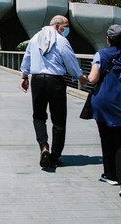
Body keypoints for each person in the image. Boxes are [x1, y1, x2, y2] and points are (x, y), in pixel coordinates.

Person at [20, 15, 88, 169]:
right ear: (57, 26)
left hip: (37, 80)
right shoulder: (62, 40)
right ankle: (55, 156)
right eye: (66, 25)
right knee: (58, 120)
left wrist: (24, 77)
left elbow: (27, 58)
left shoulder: (35, 38)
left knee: (39, 116)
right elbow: (70, 60)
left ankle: (44, 147)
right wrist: (80, 76)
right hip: (55, 81)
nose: (67, 28)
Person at [87, 24, 121, 198]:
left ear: (108, 39)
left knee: (107, 138)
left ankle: (110, 175)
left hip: (104, 102)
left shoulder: (101, 55)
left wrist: (86, 76)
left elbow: (93, 78)